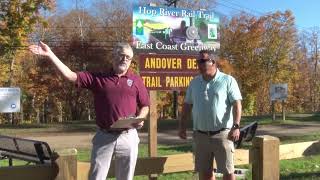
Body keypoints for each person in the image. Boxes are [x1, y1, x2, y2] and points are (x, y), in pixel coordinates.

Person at [29, 42, 150, 180]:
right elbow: (70, 75)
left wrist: (140, 118)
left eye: (128, 57)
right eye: (121, 55)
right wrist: (50, 54)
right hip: (105, 136)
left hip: (128, 137)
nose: (125, 60)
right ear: (113, 56)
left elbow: (145, 105)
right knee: (96, 177)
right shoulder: (99, 78)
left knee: (126, 178)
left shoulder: (136, 80)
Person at [178, 50, 242, 180]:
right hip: (200, 136)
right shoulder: (194, 82)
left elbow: (237, 104)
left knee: (228, 172)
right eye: (198, 61)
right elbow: (187, 105)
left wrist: (236, 126)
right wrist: (182, 126)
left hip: (223, 134)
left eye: (202, 61)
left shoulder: (227, 80)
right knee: (205, 173)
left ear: (213, 62)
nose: (198, 64)